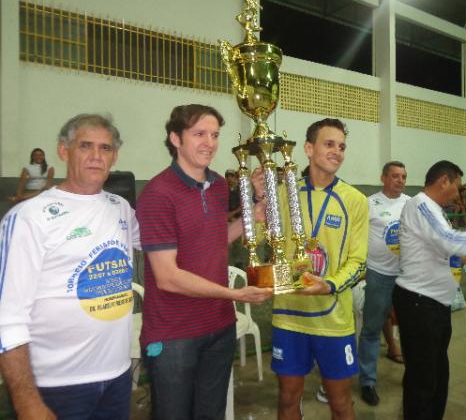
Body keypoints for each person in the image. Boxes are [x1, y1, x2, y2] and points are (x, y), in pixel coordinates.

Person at [135, 104, 272, 420]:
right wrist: (234, 295)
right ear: (175, 138)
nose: (209, 143)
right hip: (173, 335)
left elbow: (214, 239)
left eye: (214, 135)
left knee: (211, 414)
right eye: (199, 134)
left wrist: (253, 214)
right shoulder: (158, 193)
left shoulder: (220, 186)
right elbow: (168, 277)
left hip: (219, 327)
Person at [0, 114, 139, 419]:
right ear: (64, 151)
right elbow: (6, 318)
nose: (95, 156)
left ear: (114, 156)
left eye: (105, 149)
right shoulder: (29, 217)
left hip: (116, 377)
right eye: (85, 146)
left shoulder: (122, 209)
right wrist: (27, 402)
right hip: (54, 386)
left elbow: (169, 246)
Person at [255, 118, 368, 420]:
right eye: (329, 144)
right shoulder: (282, 192)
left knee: (341, 402)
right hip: (289, 317)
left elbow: (359, 263)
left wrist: (329, 284)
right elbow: (262, 240)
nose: (337, 152)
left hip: (333, 319)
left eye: (342, 146)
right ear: (308, 148)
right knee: (288, 399)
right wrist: (258, 200)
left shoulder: (355, 201)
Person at [393, 160, 466, 420]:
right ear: (443, 181)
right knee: (423, 379)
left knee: (437, 374)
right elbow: (448, 241)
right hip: (419, 303)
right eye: (457, 187)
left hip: (434, 304)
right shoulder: (421, 205)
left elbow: (439, 250)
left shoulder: (434, 209)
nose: (458, 194)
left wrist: (465, 260)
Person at [357, 161, 410, 406]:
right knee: (371, 329)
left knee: (411, 330)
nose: (400, 180)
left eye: (403, 177)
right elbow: (358, 236)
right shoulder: (370, 203)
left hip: (407, 276)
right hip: (378, 274)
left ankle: (413, 378)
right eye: (395, 176)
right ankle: (367, 381)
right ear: (383, 178)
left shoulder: (411, 204)